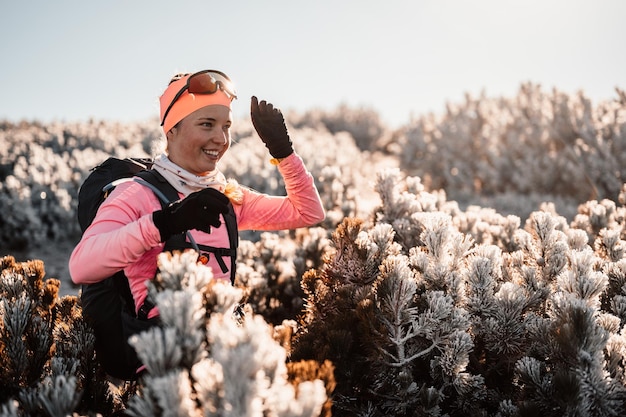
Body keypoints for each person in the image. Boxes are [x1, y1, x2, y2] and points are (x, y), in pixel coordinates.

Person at [69, 69, 325, 324]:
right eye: (207, 124)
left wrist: (283, 152)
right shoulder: (137, 194)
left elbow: (308, 212)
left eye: (226, 126)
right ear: (172, 130)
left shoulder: (226, 198)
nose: (221, 138)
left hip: (224, 348)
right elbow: (82, 266)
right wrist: (165, 223)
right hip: (165, 355)